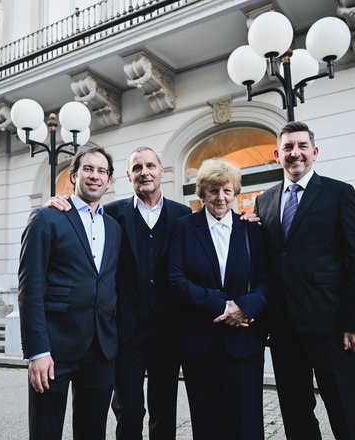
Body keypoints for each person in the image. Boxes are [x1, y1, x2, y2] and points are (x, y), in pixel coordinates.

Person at [47, 147, 191, 440]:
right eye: (137, 167)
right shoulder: (110, 214)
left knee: (164, 407)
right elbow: (80, 220)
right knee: (129, 410)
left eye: (150, 166)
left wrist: (247, 222)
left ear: (162, 172)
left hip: (167, 331)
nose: (144, 172)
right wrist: (59, 203)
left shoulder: (183, 215)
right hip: (125, 332)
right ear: (128, 176)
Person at [254, 121, 355, 440]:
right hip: (283, 330)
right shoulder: (263, 202)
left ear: (314, 152)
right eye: (288, 147)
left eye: (302, 146)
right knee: (296, 415)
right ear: (277, 154)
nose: (296, 153)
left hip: (332, 327)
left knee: (348, 412)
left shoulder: (339, 193)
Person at [18, 147, 121, 439]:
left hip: (101, 348)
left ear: (109, 181)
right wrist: (37, 351)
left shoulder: (114, 226)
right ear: (73, 175)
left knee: (93, 432)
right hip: (55, 347)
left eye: (102, 171)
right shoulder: (46, 218)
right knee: (45, 431)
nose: (95, 176)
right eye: (88, 169)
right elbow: (30, 288)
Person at [168, 158, 269, 440]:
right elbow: (176, 280)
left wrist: (245, 308)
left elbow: (266, 280)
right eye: (213, 191)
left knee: (247, 422)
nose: (220, 197)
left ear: (235, 192)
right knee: (207, 422)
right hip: (200, 342)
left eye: (227, 190)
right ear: (202, 193)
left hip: (244, 342)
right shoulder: (183, 228)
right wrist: (223, 306)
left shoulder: (252, 229)